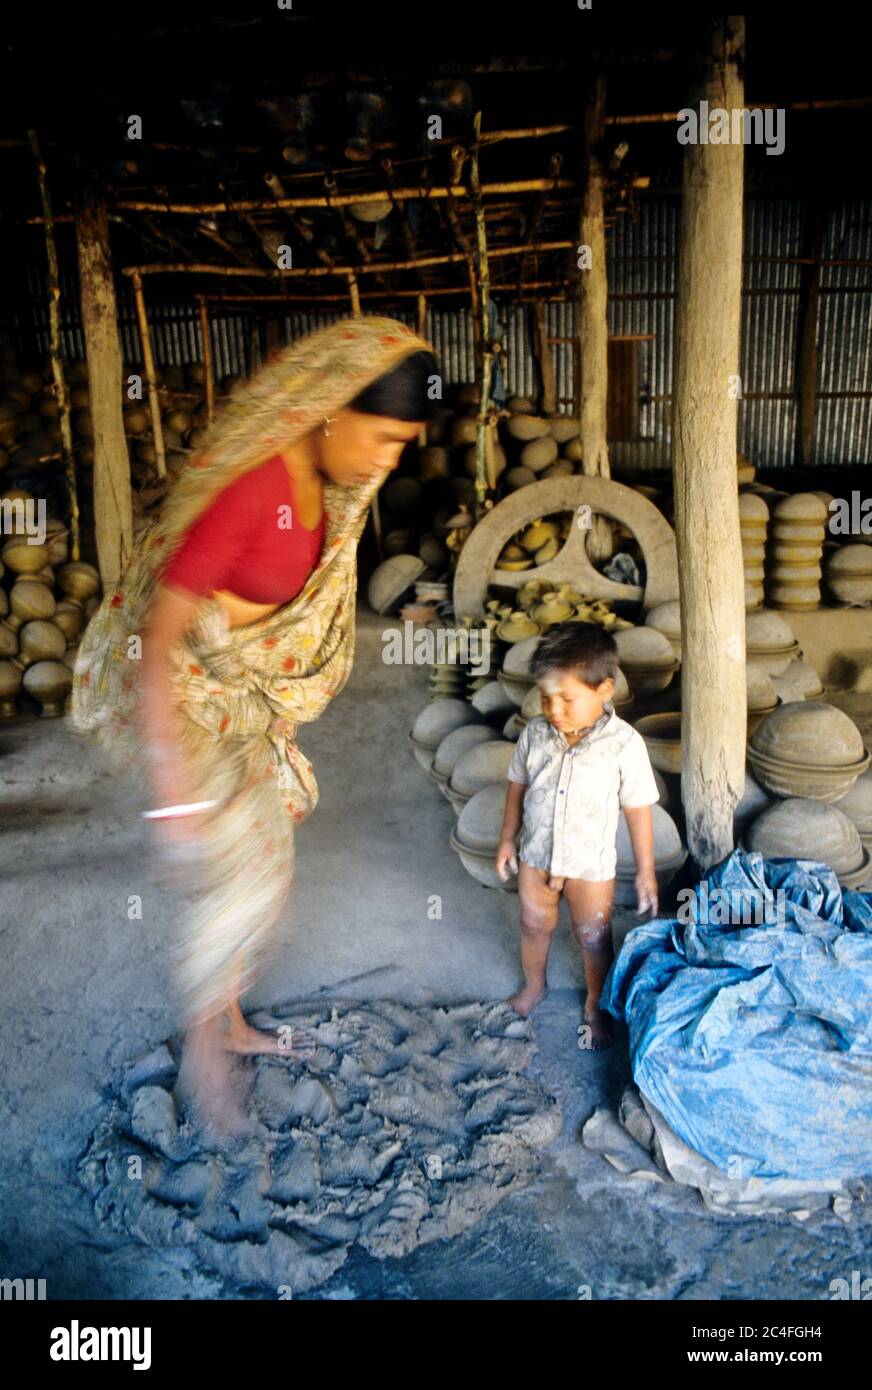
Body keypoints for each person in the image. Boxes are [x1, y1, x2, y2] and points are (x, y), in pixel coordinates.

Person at [69, 316, 438, 1132]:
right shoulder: (253, 492)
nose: (388, 460)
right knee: (241, 874)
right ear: (334, 408)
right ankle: (206, 1058)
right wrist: (172, 788)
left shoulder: (326, 494)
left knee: (270, 853)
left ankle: (228, 1019)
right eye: (383, 438)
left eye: (402, 446)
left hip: (242, 703)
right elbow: (160, 638)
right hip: (195, 704)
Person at [495, 621, 660, 1049]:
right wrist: (507, 839)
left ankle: (594, 1002)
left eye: (568, 698)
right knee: (534, 924)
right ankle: (535, 986)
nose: (554, 709)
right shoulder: (534, 735)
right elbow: (518, 786)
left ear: (604, 690)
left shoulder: (624, 744)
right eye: (546, 697)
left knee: (593, 934)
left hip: (590, 864)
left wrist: (646, 871)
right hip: (537, 854)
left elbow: (638, 808)